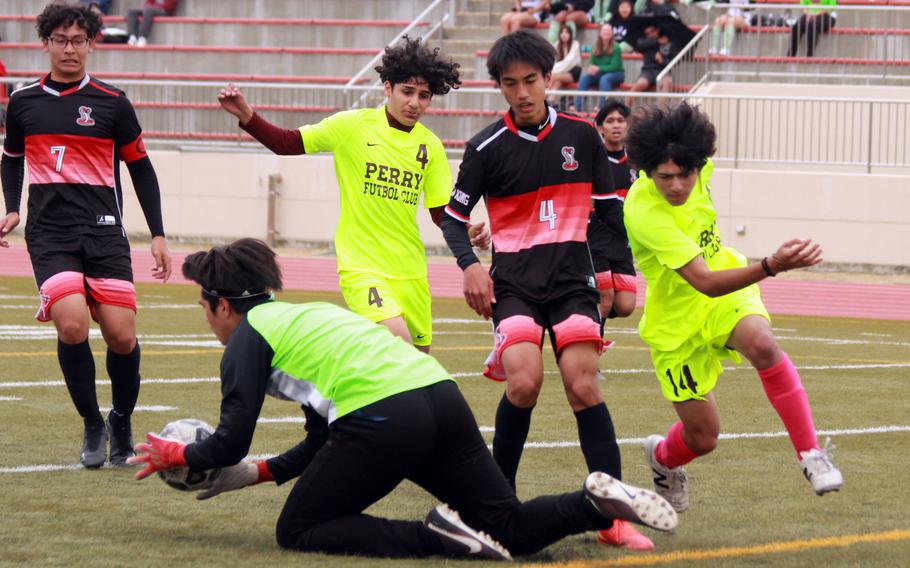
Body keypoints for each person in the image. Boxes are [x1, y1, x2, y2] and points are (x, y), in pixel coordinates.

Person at [127, 238, 678, 559]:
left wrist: (185, 457)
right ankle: (593, 502)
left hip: (385, 416)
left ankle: (433, 534)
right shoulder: (307, 315)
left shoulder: (248, 338)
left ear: (223, 304)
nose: (207, 319)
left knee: (296, 530)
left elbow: (229, 440)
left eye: (205, 308)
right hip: (439, 397)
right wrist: (259, 473)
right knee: (505, 528)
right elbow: (322, 438)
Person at [441, 30, 655, 551]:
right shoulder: (485, 146)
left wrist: (611, 278)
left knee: (583, 386)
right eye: (510, 84)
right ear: (498, 87)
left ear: (549, 77)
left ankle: (611, 517)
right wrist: (471, 266)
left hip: (572, 284)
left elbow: (609, 214)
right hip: (512, 286)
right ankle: (495, 507)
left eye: (530, 81)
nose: (521, 93)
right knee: (523, 385)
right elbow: (452, 219)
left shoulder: (582, 136)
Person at [622, 102, 843, 514]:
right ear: (646, 170)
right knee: (703, 438)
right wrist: (772, 265)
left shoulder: (698, 164)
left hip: (727, 285)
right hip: (678, 322)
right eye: (664, 176)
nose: (676, 185)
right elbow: (703, 284)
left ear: (698, 164)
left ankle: (810, 454)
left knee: (762, 344)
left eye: (684, 174)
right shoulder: (643, 211)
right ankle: (663, 459)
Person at [217, 37, 487, 354]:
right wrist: (248, 116)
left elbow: (440, 212)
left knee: (417, 369)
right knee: (397, 343)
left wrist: (467, 232)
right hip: (363, 268)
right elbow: (287, 143)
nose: (415, 102)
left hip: (411, 271)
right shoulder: (352, 126)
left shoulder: (431, 147)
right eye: (407, 92)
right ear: (388, 87)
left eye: (424, 96)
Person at [0, 2, 171, 468]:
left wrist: (157, 233)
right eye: (61, 40)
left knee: (120, 334)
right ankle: (92, 424)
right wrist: (12, 207)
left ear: (92, 43)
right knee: (72, 323)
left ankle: (121, 420)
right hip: (50, 234)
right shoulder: (22, 102)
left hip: (104, 232)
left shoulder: (112, 102)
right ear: (47, 43)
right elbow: (12, 156)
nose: (70, 49)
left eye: (78, 40)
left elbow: (141, 168)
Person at [589, 99, 637, 325]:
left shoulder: (637, 163)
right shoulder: (594, 160)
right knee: (605, 299)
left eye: (621, 120)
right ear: (600, 128)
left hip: (623, 240)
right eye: (610, 121)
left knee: (626, 305)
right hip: (597, 238)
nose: (616, 125)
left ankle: (587, 306)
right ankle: (592, 342)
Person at [574, 24, 625, 112]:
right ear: (600, 33)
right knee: (585, 79)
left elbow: (614, 66)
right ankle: (578, 107)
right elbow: (591, 62)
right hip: (600, 74)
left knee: (605, 79)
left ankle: (602, 107)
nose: (606, 32)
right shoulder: (595, 46)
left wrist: (598, 68)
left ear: (612, 33)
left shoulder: (616, 47)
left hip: (617, 73)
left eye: (609, 30)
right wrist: (591, 68)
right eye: (604, 30)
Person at [628, 25, 677, 101]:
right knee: (639, 84)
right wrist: (657, 41)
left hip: (663, 71)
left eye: (651, 31)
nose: (648, 34)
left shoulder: (668, 42)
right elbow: (640, 43)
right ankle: (625, 109)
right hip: (648, 71)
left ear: (657, 31)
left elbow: (673, 62)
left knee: (667, 83)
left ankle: (660, 110)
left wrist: (662, 61)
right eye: (647, 33)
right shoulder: (646, 41)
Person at [549, 25, 582, 108]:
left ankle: (545, 101)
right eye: (562, 32)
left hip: (573, 72)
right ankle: (551, 102)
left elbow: (568, 62)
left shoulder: (575, 44)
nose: (564, 34)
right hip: (560, 73)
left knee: (551, 77)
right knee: (557, 82)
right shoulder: (557, 45)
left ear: (570, 34)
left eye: (567, 32)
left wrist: (552, 72)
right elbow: (552, 60)